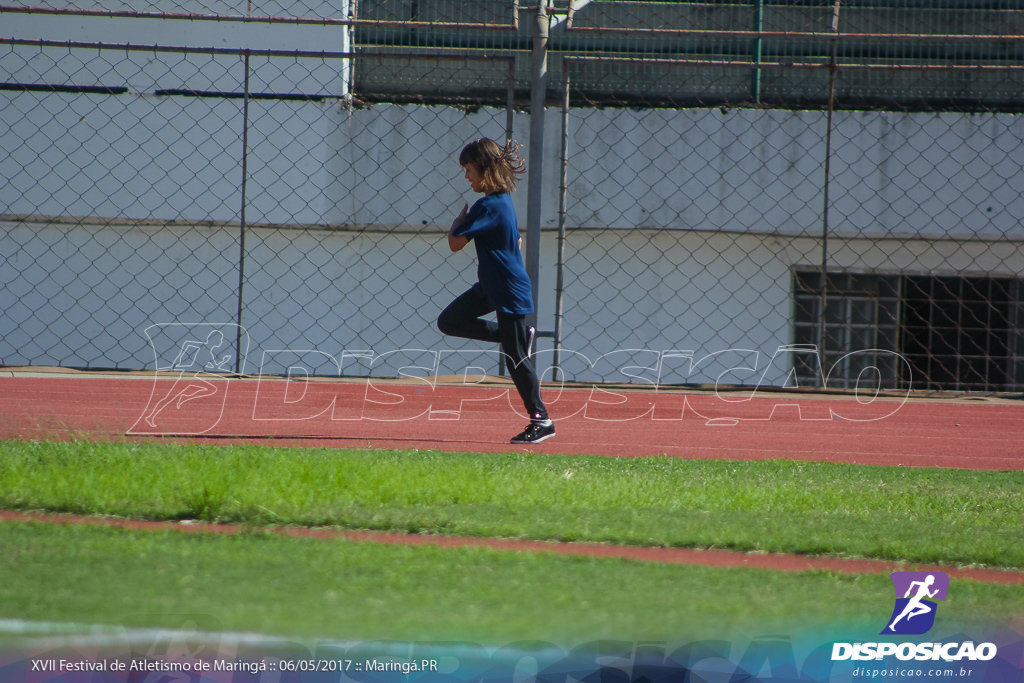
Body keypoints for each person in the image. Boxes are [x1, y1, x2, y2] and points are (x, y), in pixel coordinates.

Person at [437, 137, 555, 444]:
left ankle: (541, 420)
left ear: (484, 168)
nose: (466, 177)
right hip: (490, 287)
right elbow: (513, 242)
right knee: (449, 321)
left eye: (469, 169)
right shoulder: (499, 204)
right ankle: (515, 335)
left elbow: (455, 243)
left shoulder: (488, 205)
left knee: (516, 358)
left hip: (506, 290)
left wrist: (456, 223)